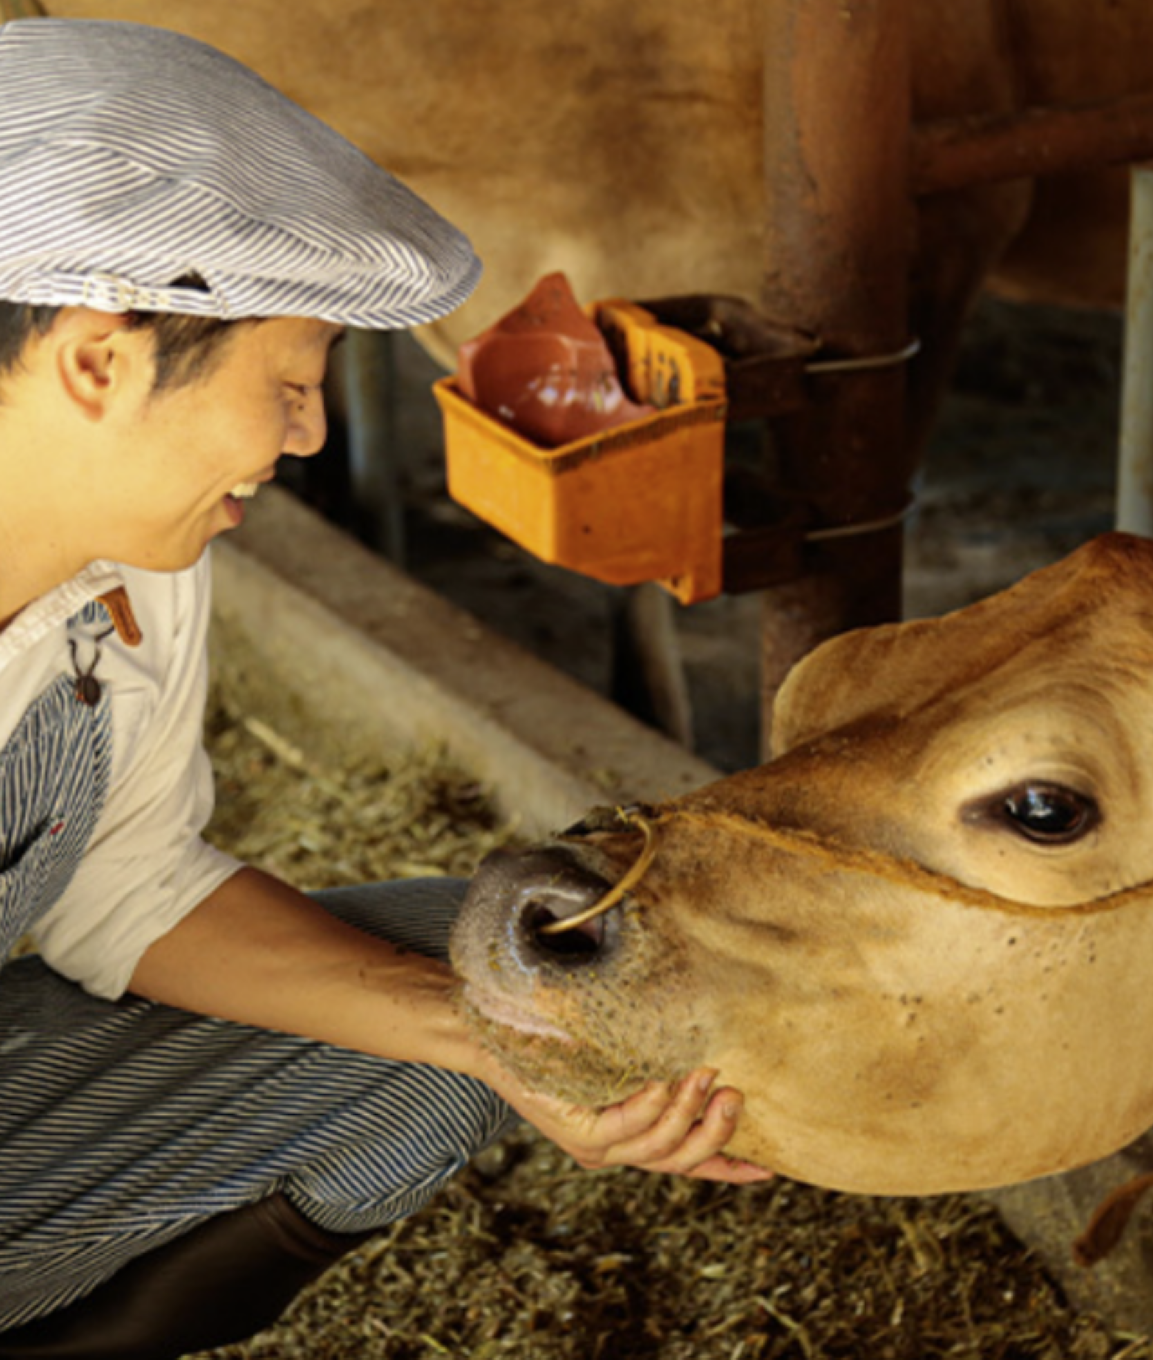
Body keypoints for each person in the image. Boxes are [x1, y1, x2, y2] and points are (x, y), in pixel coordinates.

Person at [0, 18, 771, 1358]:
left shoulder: (134, 563)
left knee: (476, 974)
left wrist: (501, 1046)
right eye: (290, 383)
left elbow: (124, 886)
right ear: (98, 361)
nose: (305, 434)